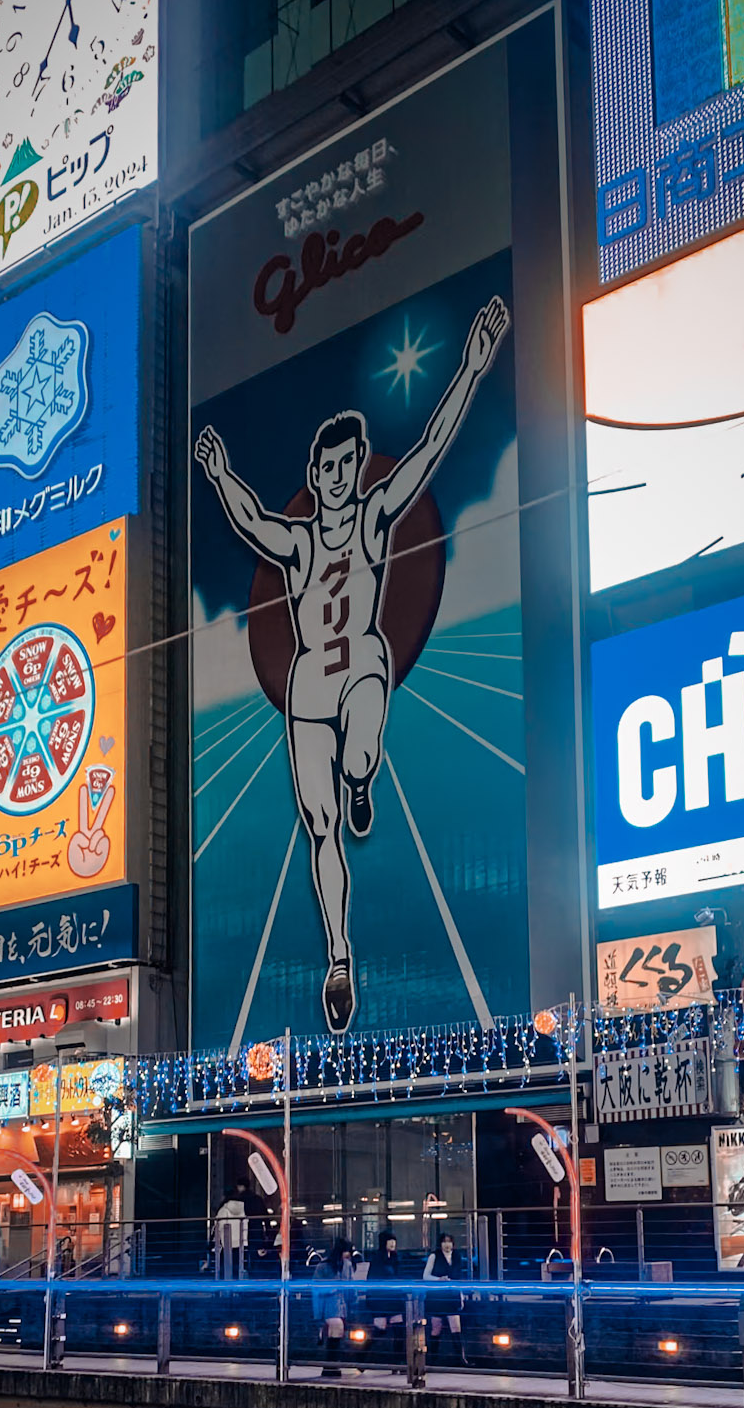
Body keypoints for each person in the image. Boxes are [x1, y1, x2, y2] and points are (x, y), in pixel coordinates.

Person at [194, 295, 509, 1035]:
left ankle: (363, 776)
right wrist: (217, 474)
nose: (339, 474)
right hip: (308, 684)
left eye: (348, 464)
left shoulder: (372, 518)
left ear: (356, 468)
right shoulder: (301, 541)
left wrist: (471, 365)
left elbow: (430, 450)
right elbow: (251, 521)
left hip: (363, 659)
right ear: (316, 470)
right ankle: (340, 956)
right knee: (320, 825)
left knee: (360, 749)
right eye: (328, 466)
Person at [316, 1235, 355, 1378]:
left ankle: (331, 1366)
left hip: (341, 1304)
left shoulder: (347, 1265)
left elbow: (350, 1284)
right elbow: (317, 1287)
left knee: (336, 1333)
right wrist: (332, 1288)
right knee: (336, 1329)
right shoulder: (324, 1266)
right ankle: (331, 1365)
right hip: (329, 1304)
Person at [422, 1231, 464, 1362]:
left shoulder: (457, 1256)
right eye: (444, 1242)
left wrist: (461, 1295)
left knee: (456, 1326)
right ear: (440, 1244)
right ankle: (432, 1359)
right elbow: (425, 1276)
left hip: (452, 1294)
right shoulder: (434, 1256)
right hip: (437, 1296)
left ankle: (461, 1359)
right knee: (436, 1327)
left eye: (449, 1241)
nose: (447, 1245)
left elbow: (459, 1277)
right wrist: (439, 1279)